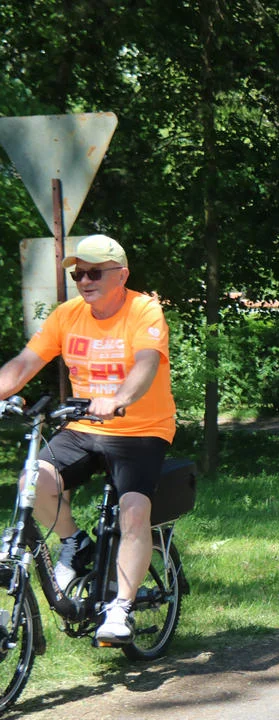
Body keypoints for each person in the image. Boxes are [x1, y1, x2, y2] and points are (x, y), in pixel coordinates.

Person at [0, 234, 176, 644]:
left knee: (133, 510)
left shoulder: (144, 309)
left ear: (122, 274)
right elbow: (26, 363)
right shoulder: (67, 314)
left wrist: (119, 398)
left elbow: (146, 365)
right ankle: (75, 543)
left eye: (94, 272)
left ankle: (121, 608)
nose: (84, 280)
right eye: (79, 273)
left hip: (140, 430)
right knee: (33, 481)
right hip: (83, 428)